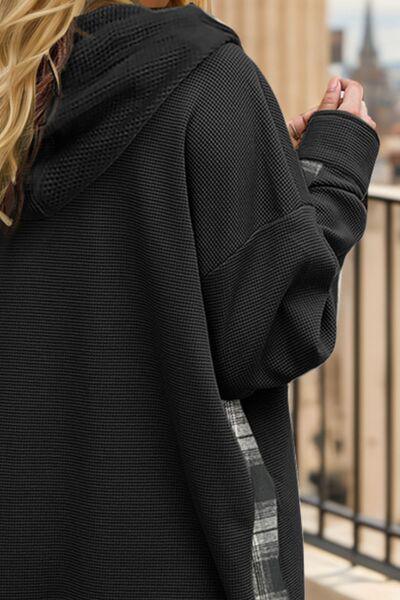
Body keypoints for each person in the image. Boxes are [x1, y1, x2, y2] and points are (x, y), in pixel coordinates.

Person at [0, 1, 380, 599]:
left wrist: (265, 170)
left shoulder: (19, 86)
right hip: (173, 540)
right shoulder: (208, 78)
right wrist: (336, 169)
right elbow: (274, 328)